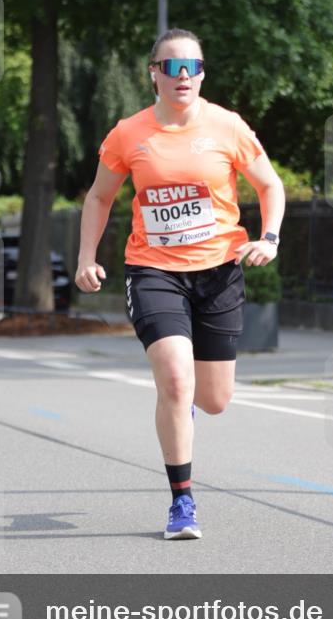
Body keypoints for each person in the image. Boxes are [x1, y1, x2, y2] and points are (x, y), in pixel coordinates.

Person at [75, 28, 285, 540]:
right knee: (174, 379)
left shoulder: (227, 126)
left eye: (193, 66)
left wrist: (270, 237)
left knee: (214, 400)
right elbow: (99, 196)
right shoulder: (129, 133)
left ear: (203, 74)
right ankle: (182, 502)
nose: (183, 76)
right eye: (172, 67)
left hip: (218, 272)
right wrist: (86, 258)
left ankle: (185, 402)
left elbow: (270, 184)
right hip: (154, 271)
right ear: (154, 74)